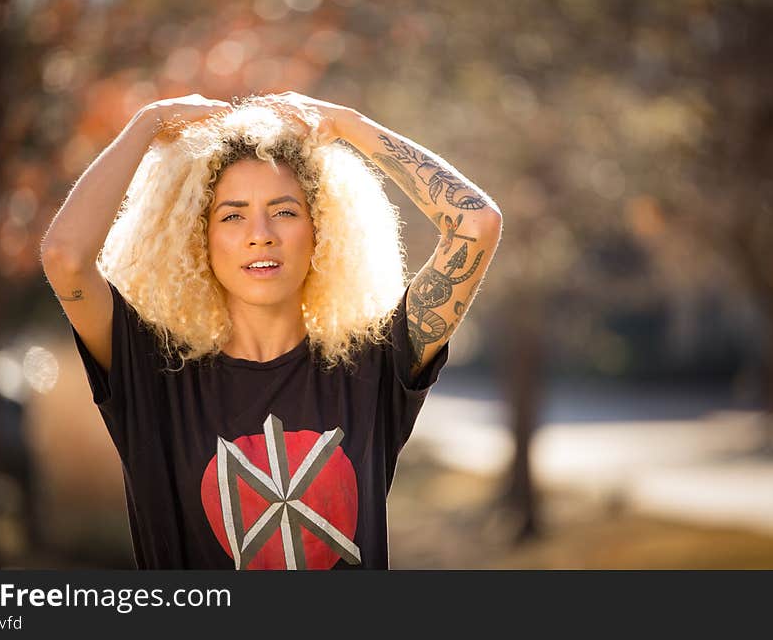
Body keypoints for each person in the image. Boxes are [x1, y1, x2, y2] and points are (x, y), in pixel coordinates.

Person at [40, 91, 503, 569]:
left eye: (284, 211)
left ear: (321, 229)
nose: (260, 233)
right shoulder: (153, 373)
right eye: (232, 215)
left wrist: (347, 123)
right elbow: (65, 259)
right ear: (198, 238)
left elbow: (476, 223)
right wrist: (148, 124)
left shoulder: (374, 363)